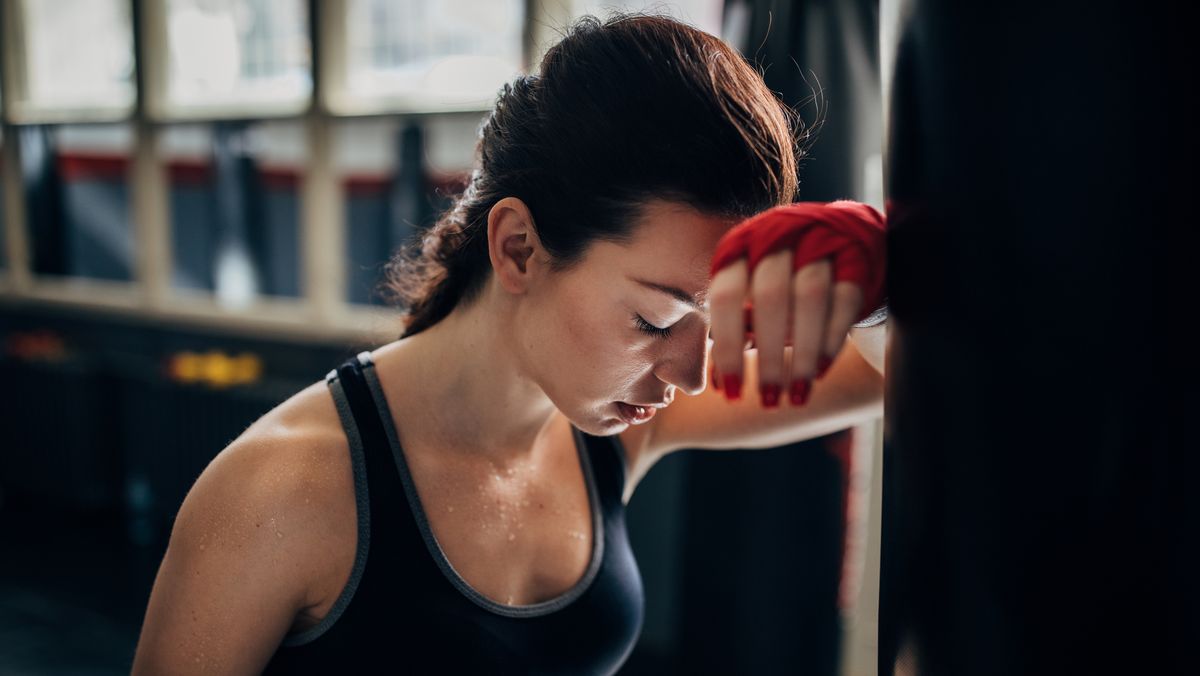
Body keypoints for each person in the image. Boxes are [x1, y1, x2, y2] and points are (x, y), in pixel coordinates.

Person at [130, 12, 887, 675]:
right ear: (519, 248)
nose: (693, 375)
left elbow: (887, 373)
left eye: (721, 326)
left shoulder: (618, 418)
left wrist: (890, 272)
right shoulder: (281, 489)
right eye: (654, 322)